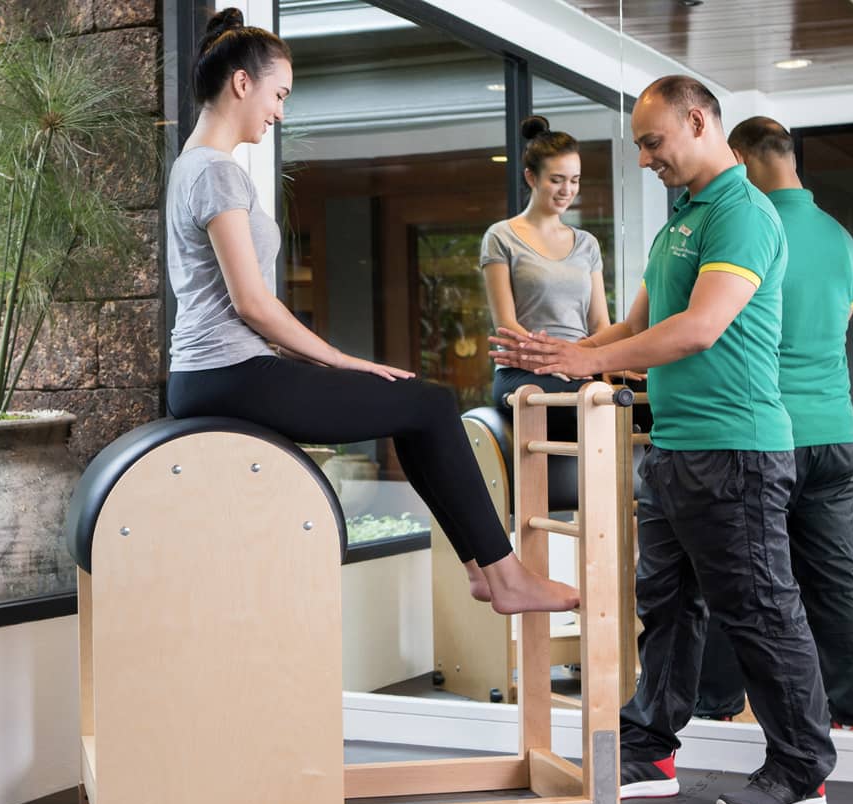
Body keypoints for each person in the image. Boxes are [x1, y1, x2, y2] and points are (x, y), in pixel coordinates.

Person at [490, 75, 836, 804]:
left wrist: (588, 362)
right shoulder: (681, 218)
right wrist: (563, 354)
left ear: (699, 121)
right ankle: (650, 746)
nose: (646, 158)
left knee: (760, 609)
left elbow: (699, 328)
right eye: (642, 145)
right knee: (667, 605)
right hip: (676, 447)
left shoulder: (742, 214)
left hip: (736, 447)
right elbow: (635, 327)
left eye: (653, 141)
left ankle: (802, 767)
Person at [164, 8, 577, 615]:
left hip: (214, 374)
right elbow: (251, 303)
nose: (280, 111)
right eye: (279, 94)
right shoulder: (217, 173)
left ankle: (486, 572)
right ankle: (502, 573)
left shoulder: (192, 167)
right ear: (242, 84)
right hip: (228, 374)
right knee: (431, 403)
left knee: (417, 404)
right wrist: (342, 361)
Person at [694, 117, 853, 734]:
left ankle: (717, 704)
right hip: (833, 431)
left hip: (765, 434)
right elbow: (834, 329)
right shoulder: (841, 241)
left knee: (735, 575)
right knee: (835, 577)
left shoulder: (747, 226)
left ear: (744, 161)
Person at [482, 116, 609, 443]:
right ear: (531, 177)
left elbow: (600, 325)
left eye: (575, 180)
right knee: (591, 404)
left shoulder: (587, 244)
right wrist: (555, 361)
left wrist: (612, 361)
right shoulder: (502, 237)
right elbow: (506, 325)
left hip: (581, 365)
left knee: (650, 400)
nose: (568, 190)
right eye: (557, 180)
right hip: (523, 370)